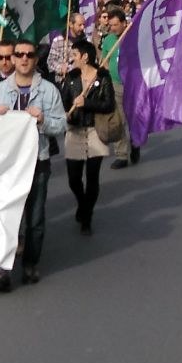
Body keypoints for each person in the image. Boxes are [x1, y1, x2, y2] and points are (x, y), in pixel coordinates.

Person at [0, 37, 67, 291]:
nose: (23, 59)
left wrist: (42, 120)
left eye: (29, 55)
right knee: (5, 216)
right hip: (6, 166)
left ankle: (30, 263)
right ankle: (3, 267)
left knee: (35, 218)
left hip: (36, 163)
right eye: (18, 54)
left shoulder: (48, 91)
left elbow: (61, 125)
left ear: (35, 59)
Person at [59, 39, 115, 235]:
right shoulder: (71, 78)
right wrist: (68, 111)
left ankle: (87, 217)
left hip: (94, 131)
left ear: (85, 57)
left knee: (92, 178)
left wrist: (87, 104)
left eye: (75, 55)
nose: (72, 59)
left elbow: (109, 105)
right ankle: (82, 204)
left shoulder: (103, 77)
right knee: (74, 179)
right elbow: (63, 102)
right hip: (74, 131)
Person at [100, 7, 138, 169]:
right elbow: (104, 60)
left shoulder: (132, 37)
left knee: (133, 118)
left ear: (124, 23)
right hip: (115, 84)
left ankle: (136, 142)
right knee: (119, 120)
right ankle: (121, 155)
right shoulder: (108, 40)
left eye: (116, 25)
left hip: (133, 85)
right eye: (111, 25)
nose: (113, 28)